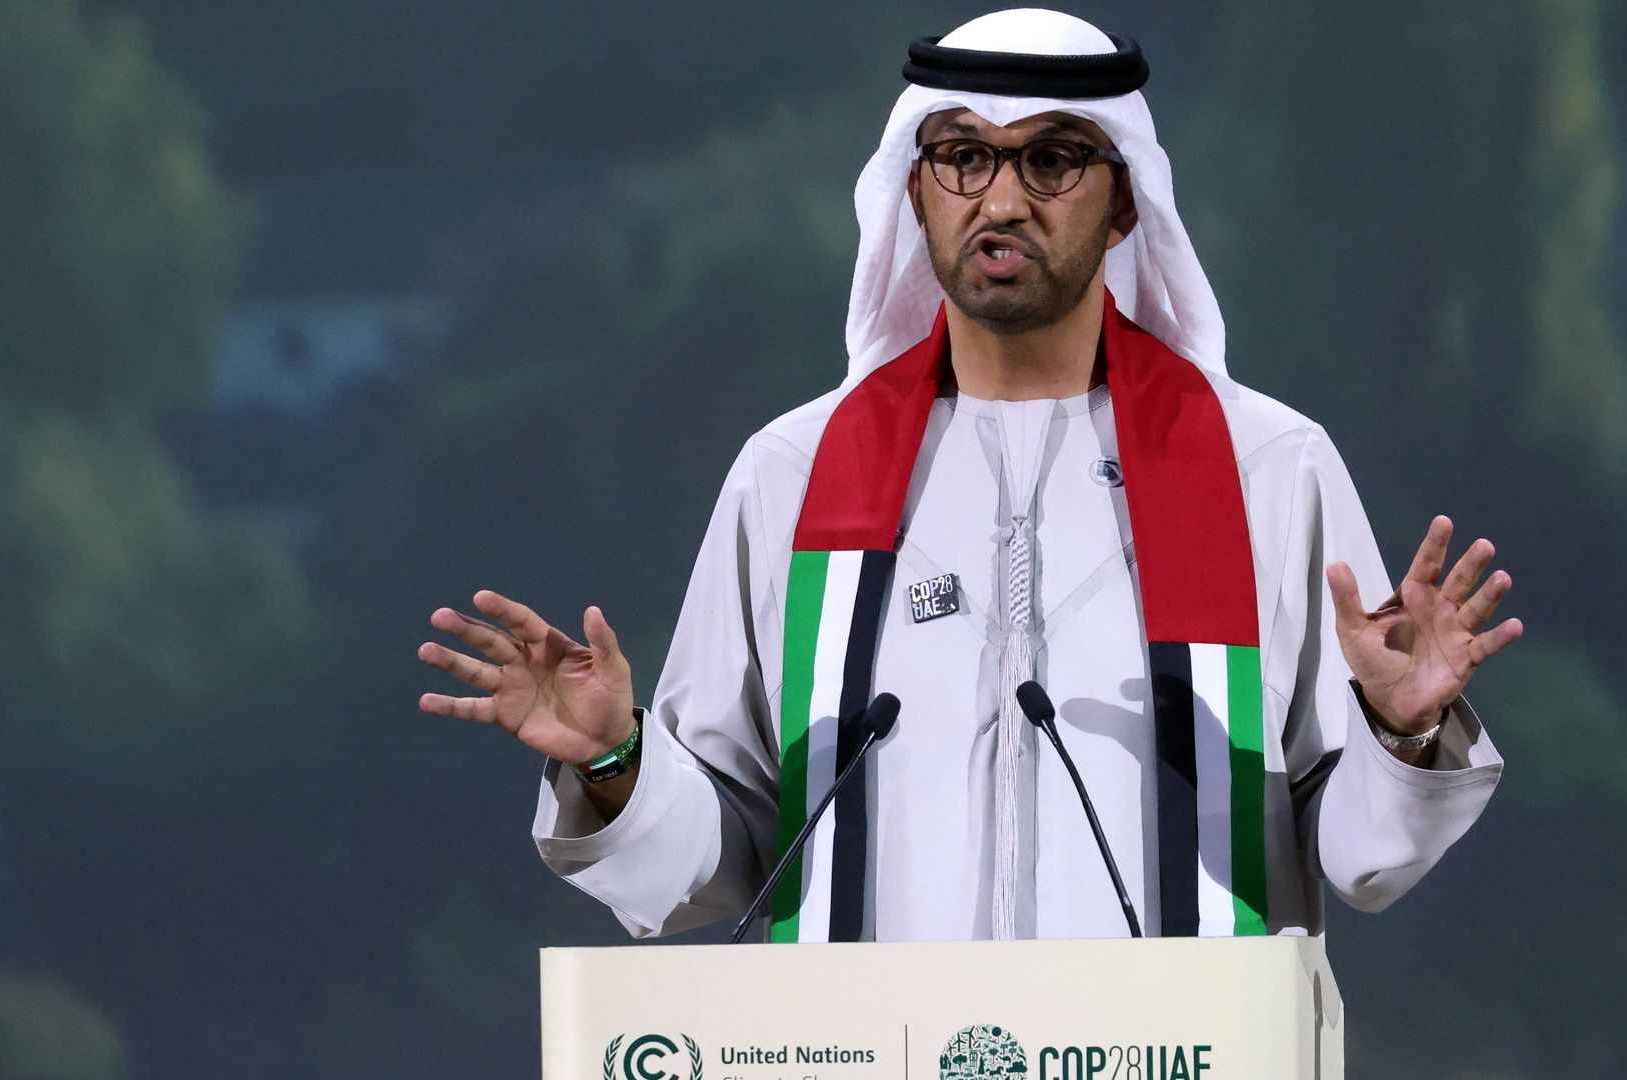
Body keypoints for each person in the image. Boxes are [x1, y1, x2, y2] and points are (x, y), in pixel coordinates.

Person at [416, 8, 1522, 942]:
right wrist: (615, 761)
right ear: (917, 190)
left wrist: (1403, 731)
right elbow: (720, 866)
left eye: (1050, 159)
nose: (1001, 200)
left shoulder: (1265, 470)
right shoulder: (793, 476)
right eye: (962, 157)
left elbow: (1364, 858)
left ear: (1124, 200)